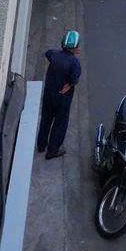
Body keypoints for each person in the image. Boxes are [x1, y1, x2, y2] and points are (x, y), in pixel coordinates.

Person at [37, 29, 81, 159]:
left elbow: (48, 53)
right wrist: (70, 85)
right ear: (75, 48)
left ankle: (41, 145)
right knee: (60, 123)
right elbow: (74, 79)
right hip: (62, 98)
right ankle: (53, 150)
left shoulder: (54, 55)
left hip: (48, 94)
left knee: (46, 119)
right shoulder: (74, 63)